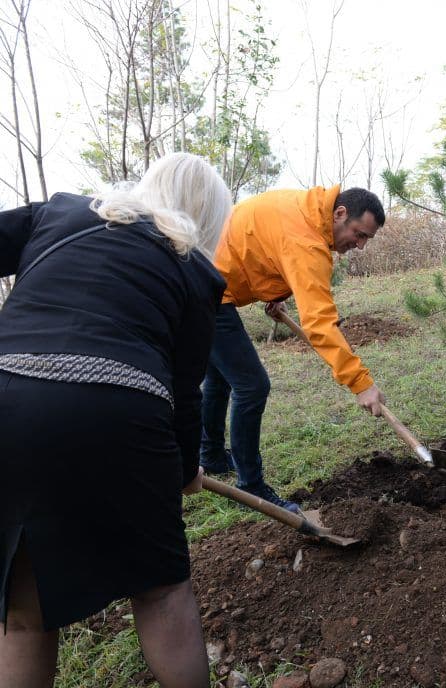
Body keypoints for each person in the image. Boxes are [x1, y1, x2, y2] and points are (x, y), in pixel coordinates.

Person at [0, 152, 232, 688]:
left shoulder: (59, 212)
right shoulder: (194, 267)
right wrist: (184, 469)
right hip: (117, 409)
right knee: (161, 589)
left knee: (24, 614)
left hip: (7, 400)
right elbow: (183, 391)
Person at [200, 185, 387, 512]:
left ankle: (212, 456)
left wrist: (275, 290)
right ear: (340, 213)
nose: (358, 245)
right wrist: (361, 383)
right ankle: (251, 485)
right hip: (206, 291)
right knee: (252, 386)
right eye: (358, 235)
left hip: (203, 275)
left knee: (220, 378)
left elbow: (265, 243)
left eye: (366, 240)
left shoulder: (305, 208)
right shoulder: (307, 241)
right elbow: (320, 323)